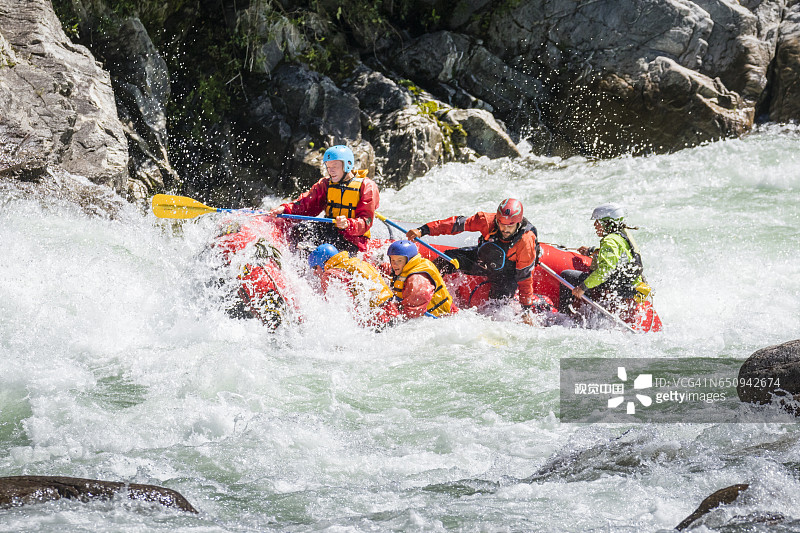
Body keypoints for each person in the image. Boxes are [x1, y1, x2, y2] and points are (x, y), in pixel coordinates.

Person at [405, 199, 541, 320]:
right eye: (502, 224)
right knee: (445, 260)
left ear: (518, 223)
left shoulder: (526, 241)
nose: (505, 229)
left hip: (507, 274)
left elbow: (525, 277)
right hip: (481, 259)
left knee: (496, 311)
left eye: (509, 226)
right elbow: (456, 224)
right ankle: (415, 291)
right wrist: (423, 230)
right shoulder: (487, 220)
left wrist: (526, 311)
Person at [268, 145, 379, 253]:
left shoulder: (367, 186)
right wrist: (285, 209)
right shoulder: (325, 183)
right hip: (329, 230)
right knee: (299, 230)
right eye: (328, 167)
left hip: (352, 238)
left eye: (334, 166)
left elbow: (366, 221)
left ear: (348, 165)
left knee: (325, 249)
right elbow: (306, 203)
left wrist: (348, 224)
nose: (331, 171)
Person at [559, 203, 648, 313]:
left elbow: (605, 271)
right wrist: (591, 251)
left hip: (616, 288)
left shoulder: (610, 241)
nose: (595, 225)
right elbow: (616, 256)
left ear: (608, 223)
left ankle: (563, 315)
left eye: (598, 222)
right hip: (628, 286)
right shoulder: (619, 236)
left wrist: (582, 287)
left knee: (566, 275)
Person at [307, 243, 396, 312]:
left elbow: (342, 309)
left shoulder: (329, 275)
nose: (315, 272)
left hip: (376, 316)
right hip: (391, 307)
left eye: (315, 267)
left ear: (323, 263)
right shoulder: (356, 262)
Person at [386, 240, 455, 319]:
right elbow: (389, 271)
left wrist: (390, 313)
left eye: (399, 260)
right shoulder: (405, 267)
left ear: (409, 260)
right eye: (392, 260)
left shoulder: (417, 280)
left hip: (440, 318)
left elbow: (413, 312)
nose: (394, 264)